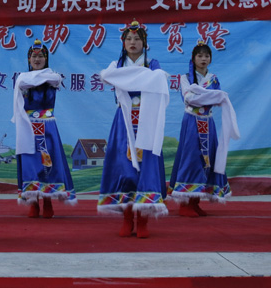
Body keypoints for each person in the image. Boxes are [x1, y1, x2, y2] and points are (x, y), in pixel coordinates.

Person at [98, 20, 169, 238]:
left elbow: (159, 79)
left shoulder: (152, 64)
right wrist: (141, 78)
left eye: (137, 39)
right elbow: (106, 76)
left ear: (144, 43)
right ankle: (128, 218)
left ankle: (143, 219)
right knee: (125, 170)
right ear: (123, 43)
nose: (133, 42)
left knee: (146, 169)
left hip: (146, 119)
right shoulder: (117, 64)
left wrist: (130, 79)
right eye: (129, 39)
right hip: (124, 120)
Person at [168, 41, 240, 217]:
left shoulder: (213, 79)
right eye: (199, 56)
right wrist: (209, 96)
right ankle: (185, 203)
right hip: (192, 121)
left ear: (210, 59)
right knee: (191, 158)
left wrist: (203, 95)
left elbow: (218, 99)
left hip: (208, 122)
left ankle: (195, 201)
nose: (203, 59)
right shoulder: (185, 78)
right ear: (193, 59)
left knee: (207, 160)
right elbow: (189, 99)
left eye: (206, 56)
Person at [13, 40, 77, 218]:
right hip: (28, 126)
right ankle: (33, 202)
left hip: (47, 125)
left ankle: (48, 200)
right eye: (34, 56)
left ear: (46, 58)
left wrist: (37, 77)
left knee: (49, 162)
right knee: (30, 163)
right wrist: (36, 77)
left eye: (41, 56)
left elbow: (53, 80)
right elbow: (24, 82)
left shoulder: (53, 77)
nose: (37, 59)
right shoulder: (22, 77)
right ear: (28, 59)